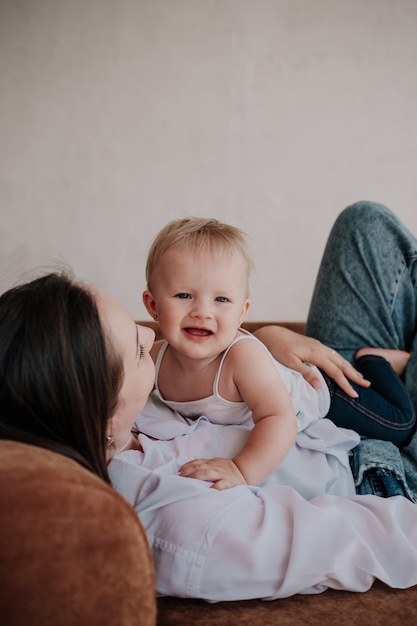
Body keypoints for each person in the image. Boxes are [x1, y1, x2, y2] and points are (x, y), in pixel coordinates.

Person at [3, 200, 417, 602]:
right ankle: (385, 364)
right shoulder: (182, 524)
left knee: (365, 223)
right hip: (375, 477)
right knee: (400, 418)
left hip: (311, 407)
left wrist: (267, 340)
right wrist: (241, 466)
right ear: (101, 416)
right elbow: (353, 539)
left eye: (138, 327)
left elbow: (241, 380)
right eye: (136, 347)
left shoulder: (127, 408)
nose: (151, 337)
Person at [138, 216, 415, 490]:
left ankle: (374, 360)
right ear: (153, 305)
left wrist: (241, 469)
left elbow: (279, 419)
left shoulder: (240, 358)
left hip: (324, 392)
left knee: (401, 425)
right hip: (297, 378)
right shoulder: (153, 358)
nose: (202, 312)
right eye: (184, 295)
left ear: (242, 313)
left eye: (221, 299)